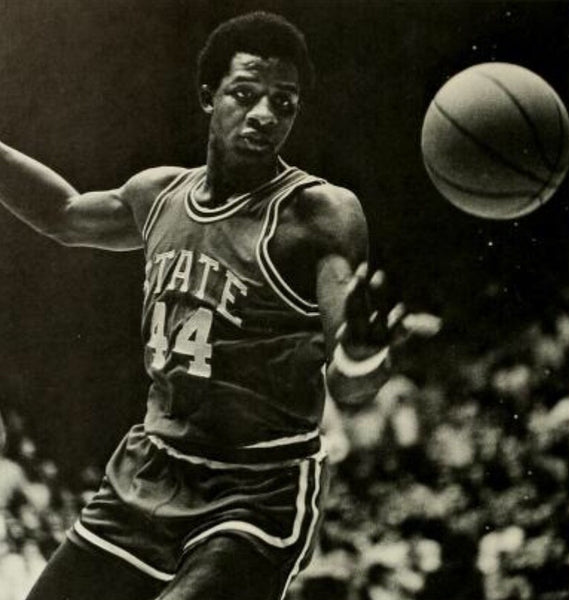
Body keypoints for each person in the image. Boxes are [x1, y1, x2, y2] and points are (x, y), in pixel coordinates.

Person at [0, 11, 436, 600]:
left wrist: (363, 353)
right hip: (152, 468)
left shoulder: (318, 215)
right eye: (246, 94)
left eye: (284, 102)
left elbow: (350, 386)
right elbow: (63, 215)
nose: (265, 114)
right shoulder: (159, 195)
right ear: (210, 96)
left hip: (255, 490)